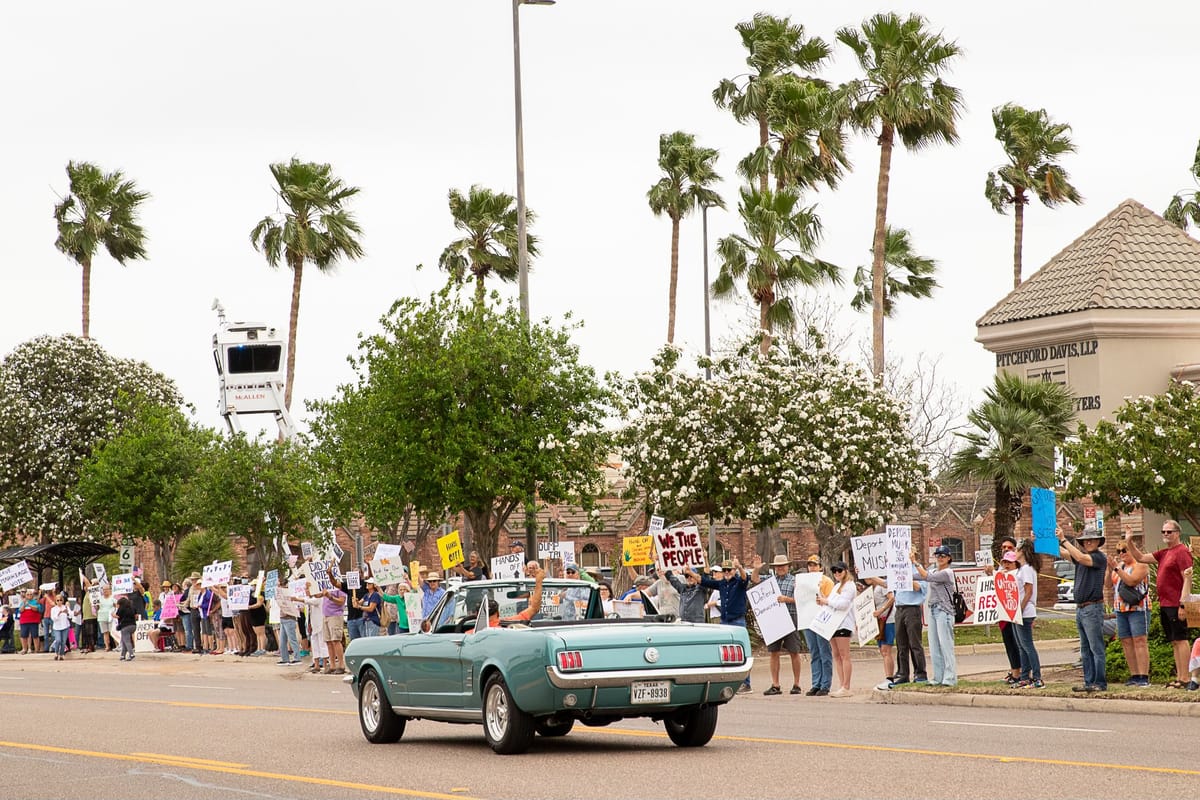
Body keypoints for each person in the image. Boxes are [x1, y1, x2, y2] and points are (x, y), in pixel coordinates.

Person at [1125, 520, 1193, 688]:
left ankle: (1186, 678)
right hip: (1165, 603)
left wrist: (1183, 604)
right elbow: (1141, 557)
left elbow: (1187, 578)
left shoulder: (1182, 552)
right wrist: (1129, 541)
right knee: (1174, 641)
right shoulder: (1165, 553)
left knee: (1181, 639)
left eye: (1169, 532)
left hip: (1176, 603)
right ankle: (1180, 677)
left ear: (1177, 533)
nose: (1165, 534)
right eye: (1163, 532)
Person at [688, 559, 752, 693]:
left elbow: (745, 578)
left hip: (738, 621)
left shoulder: (739, 582)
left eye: (729, 570)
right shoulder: (721, 584)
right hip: (725, 622)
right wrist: (691, 573)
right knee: (724, 653)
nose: (727, 572)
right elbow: (703, 581)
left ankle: (746, 683)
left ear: (734, 571)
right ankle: (728, 681)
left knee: (743, 651)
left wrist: (740, 567)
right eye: (725, 570)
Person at [1059, 526, 1108, 692]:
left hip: (1092, 607)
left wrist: (1063, 539)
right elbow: (1063, 553)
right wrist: (1043, 541)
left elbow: (1079, 557)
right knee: (1085, 649)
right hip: (1081, 609)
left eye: (1091, 540)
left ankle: (1099, 683)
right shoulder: (1081, 558)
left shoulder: (1099, 558)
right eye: (1085, 540)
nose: (1088, 542)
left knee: (1096, 648)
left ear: (1098, 542)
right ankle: (1089, 682)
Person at [754, 555, 804, 696]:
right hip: (774, 619)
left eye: (783, 565)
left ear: (788, 566)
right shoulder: (770, 580)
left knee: (794, 651)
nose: (780, 568)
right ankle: (775, 684)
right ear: (774, 568)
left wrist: (787, 599)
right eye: (778, 566)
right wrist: (756, 569)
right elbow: (755, 579)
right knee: (774, 651)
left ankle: (797, 684)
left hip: (790, 617)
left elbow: (803, 599)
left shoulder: (795, 581)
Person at [1108, 535, 1150, 687]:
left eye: (1124, 550)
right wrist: (1109, 568)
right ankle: (1134, 674)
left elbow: (1131, 581)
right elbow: (1108, 584)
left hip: (1138, 608)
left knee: (1139, 640)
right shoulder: (1119, 566)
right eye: (1119, 551)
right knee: (1126, 641)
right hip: (1121, 609)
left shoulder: (1141, 565)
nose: (1121, 554)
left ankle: (1143, 675)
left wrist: (1117, 569)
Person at [913, 545, 958, 687]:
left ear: (949, 558)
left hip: (944, 611)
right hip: (933, 610)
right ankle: (938, 677)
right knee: (934, 646)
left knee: (946, 645)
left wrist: (915, 562)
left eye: (943, 556)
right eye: (938, 555)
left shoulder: (948, 572)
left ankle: (950, 678)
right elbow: (918, 576)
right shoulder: (933, 570)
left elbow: (927, 577)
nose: (940, 558)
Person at [816, 561, 857, 697]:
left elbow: (843, 604)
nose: (837, 573)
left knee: (844, 654)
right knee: (837, 655)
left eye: (839, 570)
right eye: (834, 571)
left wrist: (826, 601)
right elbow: (831, 602)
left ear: (846, 571)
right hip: (833, 623)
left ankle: (846, 686)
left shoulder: (850, 586)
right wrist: (823, 600)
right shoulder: (837, 586)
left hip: (844, 623)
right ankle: (841, 685)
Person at [1009, 544, 1044, 689]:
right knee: (1021, 646)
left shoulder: (1027, 569)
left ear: (1023, 551)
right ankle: (1024, 677)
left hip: (1025, 612)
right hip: (1017, 612)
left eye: (1017, 550)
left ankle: (1037, 677)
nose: (1015, 552)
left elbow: (1028, 592)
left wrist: (1020, 609)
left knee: (1027, 645)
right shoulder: (1021, 569)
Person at [800, 555, 833, 696]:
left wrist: (822, 597)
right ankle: (816, 683)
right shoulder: (804, 582)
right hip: (808, 620)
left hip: (822, 620)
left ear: (820, 567)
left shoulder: (827, 581)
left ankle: (825, 684)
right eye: (810, 565)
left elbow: (831, 600)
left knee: (824, 652)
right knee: (814, 652)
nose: (812, 568)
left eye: (815, 565)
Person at [890, 567, 928, 687]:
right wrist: (870, 577)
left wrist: (905, 576)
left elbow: (918, 587)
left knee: (915, 643)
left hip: (912, 609)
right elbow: (886, 583)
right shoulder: (895, 568)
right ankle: (903, 674)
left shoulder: (917, 569)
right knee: (901, 644)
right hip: (899, 609)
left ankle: (920, 674)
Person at [872, 580, 896, 688]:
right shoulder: (872, 587)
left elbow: (892, 598)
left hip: (888, 620)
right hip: (879, 621)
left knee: (886, 650)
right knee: (883, 650)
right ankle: (887, 677)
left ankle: (889, 678)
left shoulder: (882, 584)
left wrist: (881, 610)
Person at [320, 580, 348, 674]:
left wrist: (330, 597)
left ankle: (341, 664)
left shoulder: (339, 586)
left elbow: (341, 601)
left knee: (336, 640)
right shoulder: (325, 584)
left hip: (335, 615)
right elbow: (317, 595)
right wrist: (310, 588)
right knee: (328, 641)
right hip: (326, 615)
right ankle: (332, 665)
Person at [18, 589, 42, 655]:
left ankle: (36, 649)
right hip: (24, 621)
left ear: (33, 595)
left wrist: (29, 604)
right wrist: (24, 604)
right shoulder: (23, 602)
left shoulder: (35, 602)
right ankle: (24, 649)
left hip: (33, 621)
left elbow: (36, 609)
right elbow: (21, 610)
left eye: (30, 594)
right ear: (25, 595)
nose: (29, 595)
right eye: (27, 594)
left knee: (35, 635)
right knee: (23, 635)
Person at [114, 595, 137, 662]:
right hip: (133, 625)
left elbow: (118, 616)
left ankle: (131, 654)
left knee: (127, 641)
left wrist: (112, 615)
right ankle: (122, 655)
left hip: (125, 626)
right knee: (124, 641)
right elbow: (136, 615)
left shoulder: (121, 608)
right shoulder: (132, 607)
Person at [50, 594, 71, 661]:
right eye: (58, 600)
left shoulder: (65, 607)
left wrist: (67, 612)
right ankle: (56, 653)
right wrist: (59, 613)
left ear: (63, 600)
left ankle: (61, 654)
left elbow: (70, 616)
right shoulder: (53, 609)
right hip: (57, 627)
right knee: (58, 640)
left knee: (63, 641)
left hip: (65, 626)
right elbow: (53, 618)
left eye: (60, 600)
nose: (59, 602)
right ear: (55, 601)